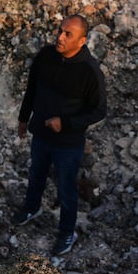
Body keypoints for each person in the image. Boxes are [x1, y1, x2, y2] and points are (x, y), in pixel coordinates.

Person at [11, 14, 107, 256]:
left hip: (68, 144)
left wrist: (65, 123)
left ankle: (67, 233)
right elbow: (32, 88)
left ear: (82, 41)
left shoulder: (89, 70)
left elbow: (99, 110)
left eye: (68, 34)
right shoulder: (45, 56)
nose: (60, 37)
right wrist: (24, 119)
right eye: (60, 31)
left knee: (66, 189)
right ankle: (32, 208)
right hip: (41, 136)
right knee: (36, 175)